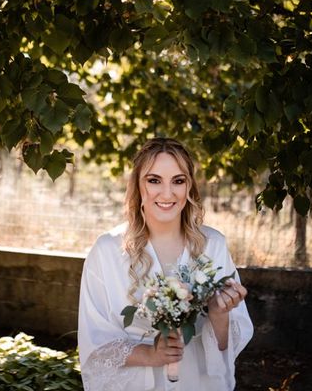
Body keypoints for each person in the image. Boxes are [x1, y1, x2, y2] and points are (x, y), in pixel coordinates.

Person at [78, 137, 253, 391]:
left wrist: (218, 312)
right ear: (138, 186)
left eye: (178, 181)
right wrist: (152, 356)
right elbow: (94, 342)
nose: (168, 193)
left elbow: (229, 345)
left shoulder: (213, 245)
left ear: (189, 187)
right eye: (154, 180)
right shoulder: (106, 251)